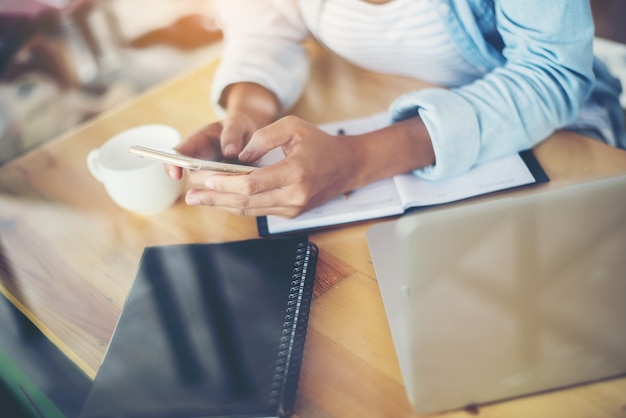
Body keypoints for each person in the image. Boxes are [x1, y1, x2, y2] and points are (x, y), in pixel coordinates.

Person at [167, 0, 626, 218]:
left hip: (563, 138)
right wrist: (247, 109)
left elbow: (552, 72)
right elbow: (265, 25)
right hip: (387, 109)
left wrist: (358, 161)